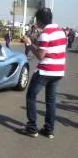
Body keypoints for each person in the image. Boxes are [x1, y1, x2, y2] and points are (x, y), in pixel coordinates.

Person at [19, 8, 67, 139]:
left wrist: (29, 44)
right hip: (58, 71)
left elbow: (40, 55)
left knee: (31, 96)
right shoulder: (61, 32)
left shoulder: (45, 33)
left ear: (39, 20)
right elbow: (51, 48)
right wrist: (35, 42)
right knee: (51, 101)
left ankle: (32, 128)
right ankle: (48, 129)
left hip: (46, 70)